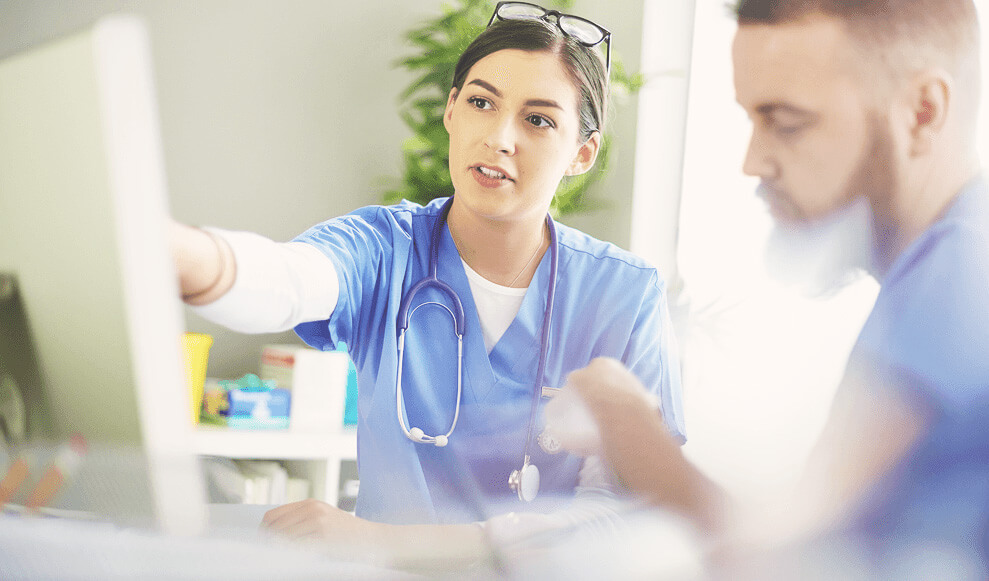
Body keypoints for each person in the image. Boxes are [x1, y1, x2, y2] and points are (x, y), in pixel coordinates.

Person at [172, 2, 685, 570]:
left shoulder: (623, 295)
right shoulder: (382, 246)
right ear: (450, 111)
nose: (498, 138)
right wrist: (177, 253)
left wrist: (388, 541)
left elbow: (623, 517)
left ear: (581, 155)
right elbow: (285, 279)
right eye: (481, 102)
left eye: (538, 120)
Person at [551, 0, 989, 577]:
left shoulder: (959, 270)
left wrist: (623, 419)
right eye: (750, 120)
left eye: (786, 122)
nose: (753, 161)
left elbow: (769, 554)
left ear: (922, 111)